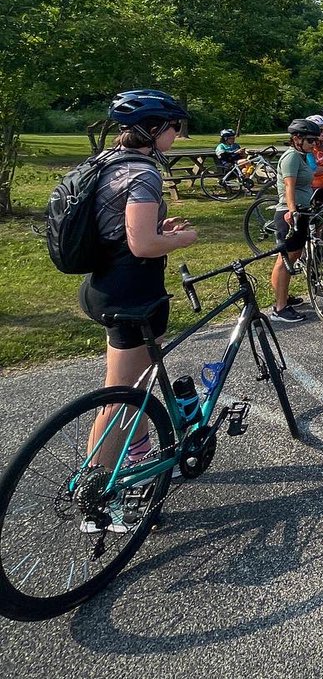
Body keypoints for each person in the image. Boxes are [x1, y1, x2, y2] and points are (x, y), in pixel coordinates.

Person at [80, 90, 198, 478]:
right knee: (120, 399)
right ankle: (95, 490)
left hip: (109, 283)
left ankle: (139, 455)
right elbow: (143, 245)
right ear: (152, 129)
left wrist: (157, 229)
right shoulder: (143, 172)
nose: (177, 135)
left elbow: (118, 227)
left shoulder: (109, 161)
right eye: (173, 127)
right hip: (132, 292)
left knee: (138, 387)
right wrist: (181, 239)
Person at [270, 118, 322, 323]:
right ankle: (280, 309)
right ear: (296, 138)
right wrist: (292, 211)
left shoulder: (302, 156)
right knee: (285, 260)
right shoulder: (291, 157)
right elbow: (289, 186)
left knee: (291, 257)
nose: (313, 144)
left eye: (316, 141)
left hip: (303, 210)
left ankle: (283, 298)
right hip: (289, 213)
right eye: (310, 140)